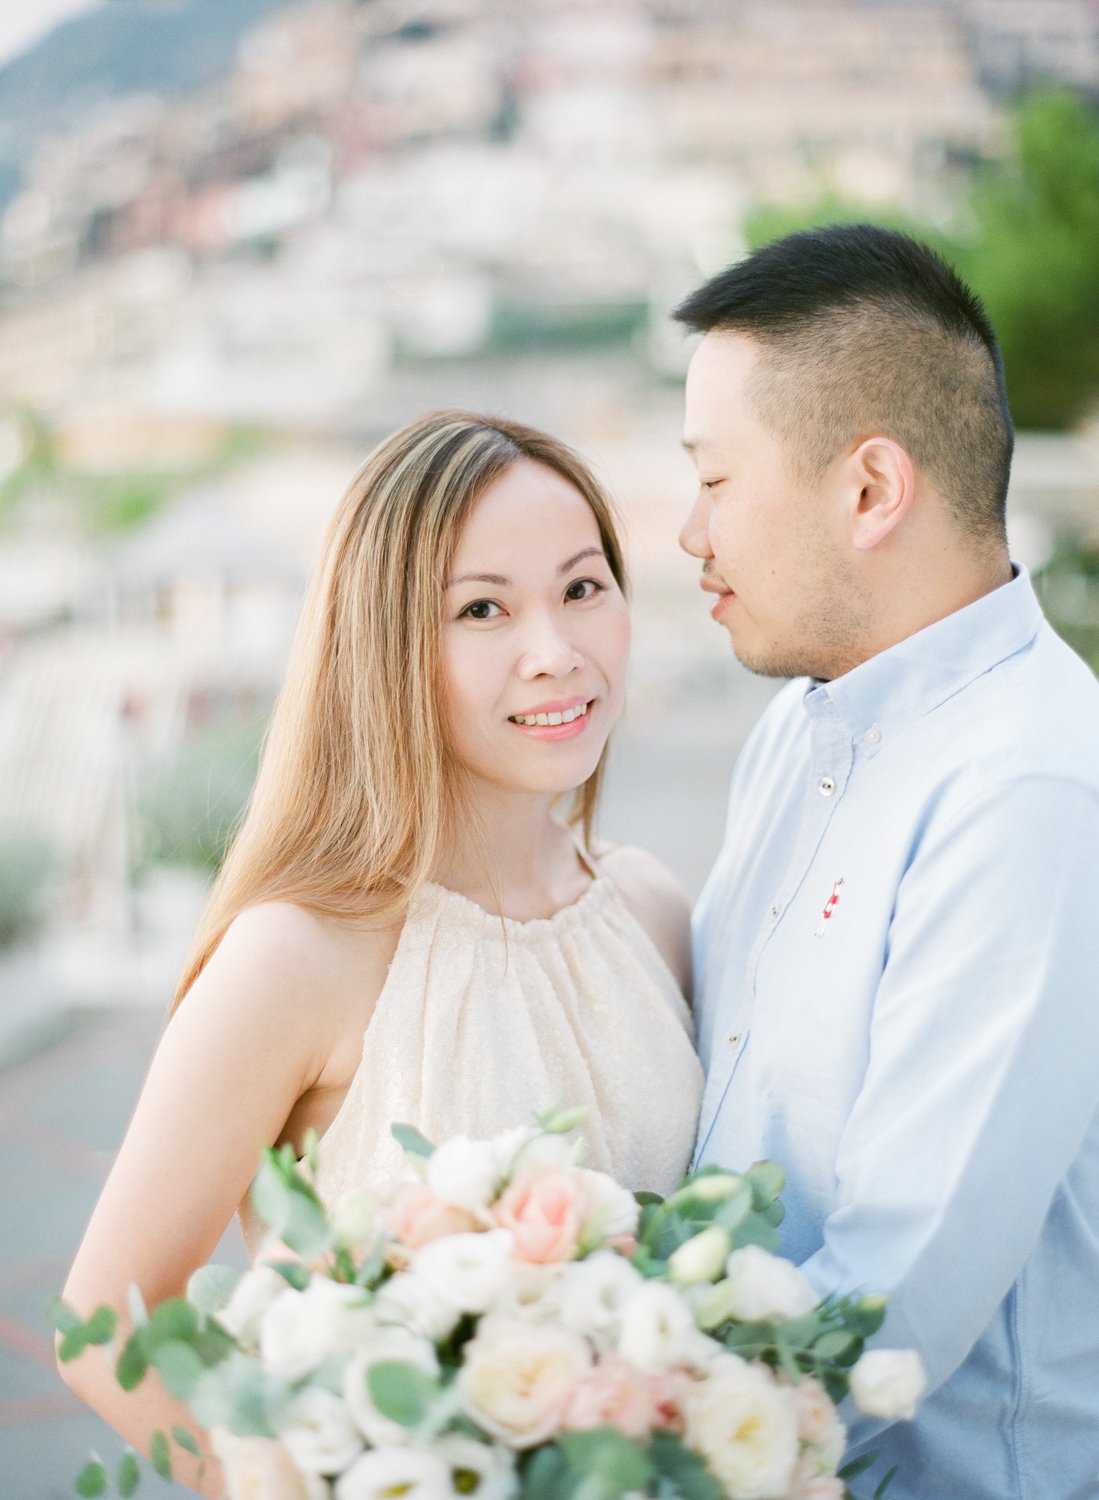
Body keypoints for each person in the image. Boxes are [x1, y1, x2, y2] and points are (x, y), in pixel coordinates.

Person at [59, 410, 702, 1497]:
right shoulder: (297, 954)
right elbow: (102, 1322)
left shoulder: (649, 910)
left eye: (583, 588)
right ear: (385, 640)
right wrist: (275, 1485)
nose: (556, 652)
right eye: (483, 609)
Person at [676, 223, 1099, 1500]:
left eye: (713, 479)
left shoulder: (1027, 789)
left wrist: (567, 1443)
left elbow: (890, 1308)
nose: (687, 534)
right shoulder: (794, 730)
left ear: (869, 488)